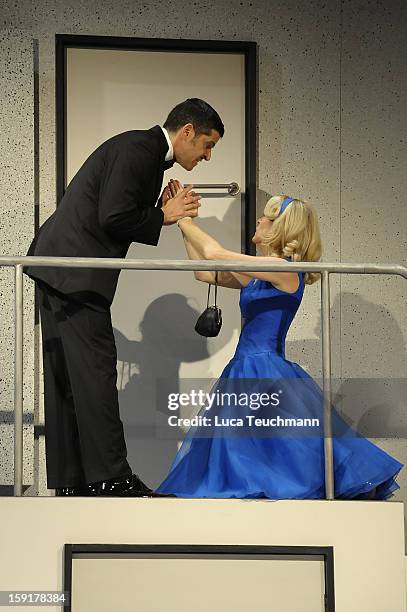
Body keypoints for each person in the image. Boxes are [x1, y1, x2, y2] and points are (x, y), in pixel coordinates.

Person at [24, 98, 224, 497]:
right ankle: (110, 478)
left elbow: (113, 209)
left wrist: (157, 208)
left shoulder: (144, 153)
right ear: (187, 132)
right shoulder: (140, 151)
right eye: (207, 144)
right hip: (74, 275)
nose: (207, 155)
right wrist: (164, 216)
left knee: (69, 378)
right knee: (94, 376)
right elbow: (112, 217)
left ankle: (71, 481)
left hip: (61, 269)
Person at [156, 187, 403, 499]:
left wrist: (183, 218)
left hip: (265, 368)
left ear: (282, 228)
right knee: (244, 446)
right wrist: (182, 221)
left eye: (267, 217)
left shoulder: (284, 269)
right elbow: (205, 272)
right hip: (244, 367)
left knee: (269, 446)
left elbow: (215, 254)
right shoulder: (262, 274)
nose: (258, 220)